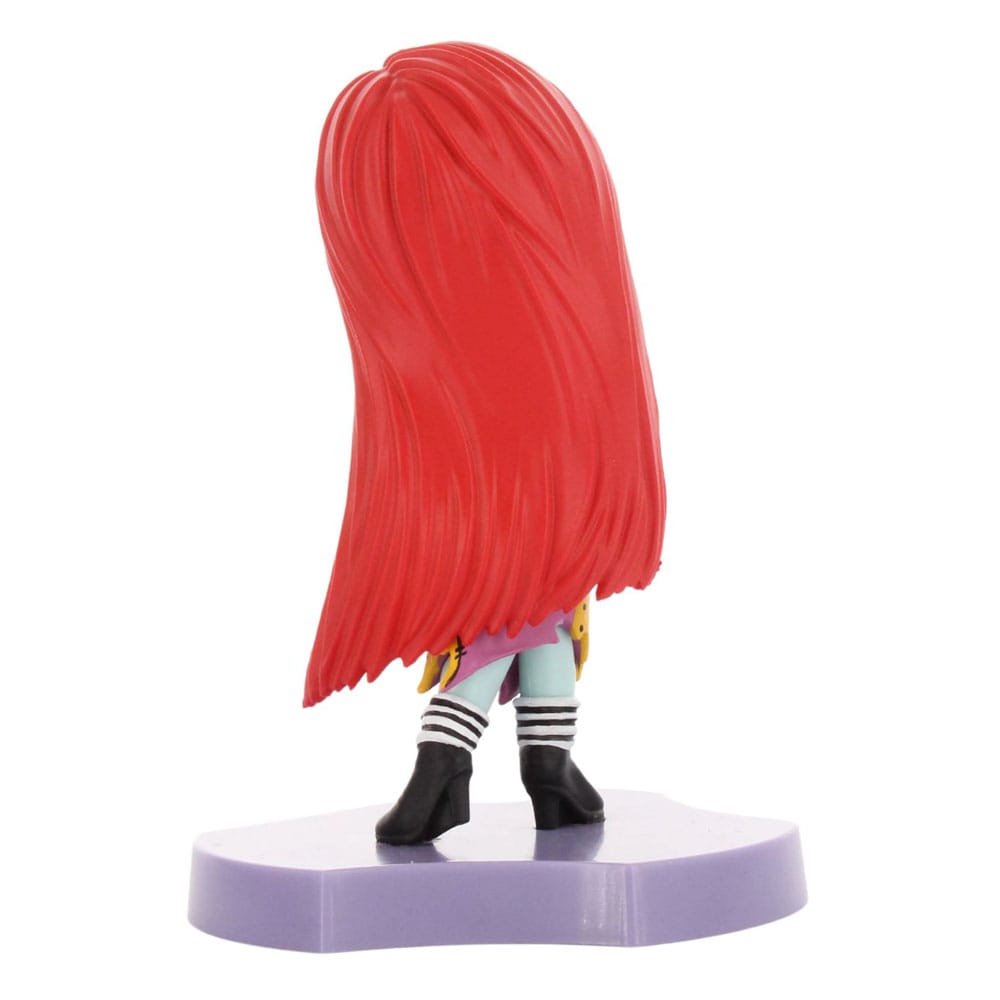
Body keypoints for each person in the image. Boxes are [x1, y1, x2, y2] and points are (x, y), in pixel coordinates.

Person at [305, 42, 666, 845]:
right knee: (522, 601)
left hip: (535, 458)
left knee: (539, 602)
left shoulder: (539, 352)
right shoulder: (508, 352)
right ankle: (466, 763)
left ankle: (524, 765)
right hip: (522, 462)